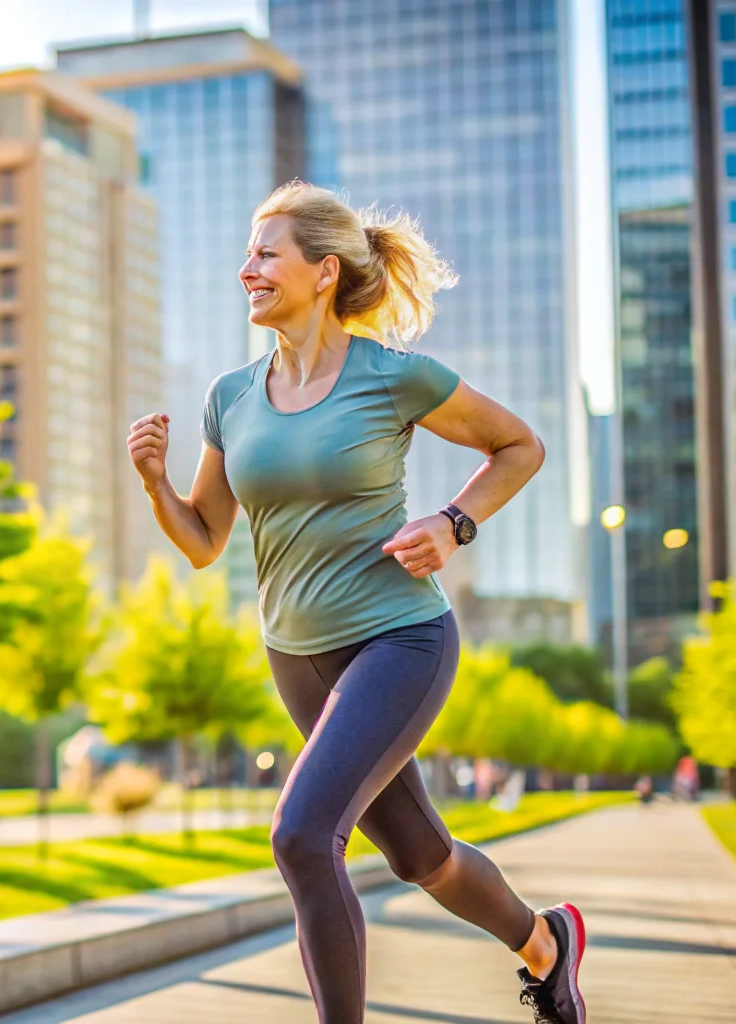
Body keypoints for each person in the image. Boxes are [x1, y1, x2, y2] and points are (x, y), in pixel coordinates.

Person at [125, 182, 585, 1024]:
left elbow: (520, 445)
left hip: (398, 640)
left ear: (324, 271)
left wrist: (455, 523)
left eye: (266, 254)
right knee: (420, 855)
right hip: (294, 658)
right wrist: (156, 485)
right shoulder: (229, 397)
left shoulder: (393, 378)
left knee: (301, 838)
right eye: (249, 253)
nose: (247, 270)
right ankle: (546, 944)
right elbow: (201, 541)